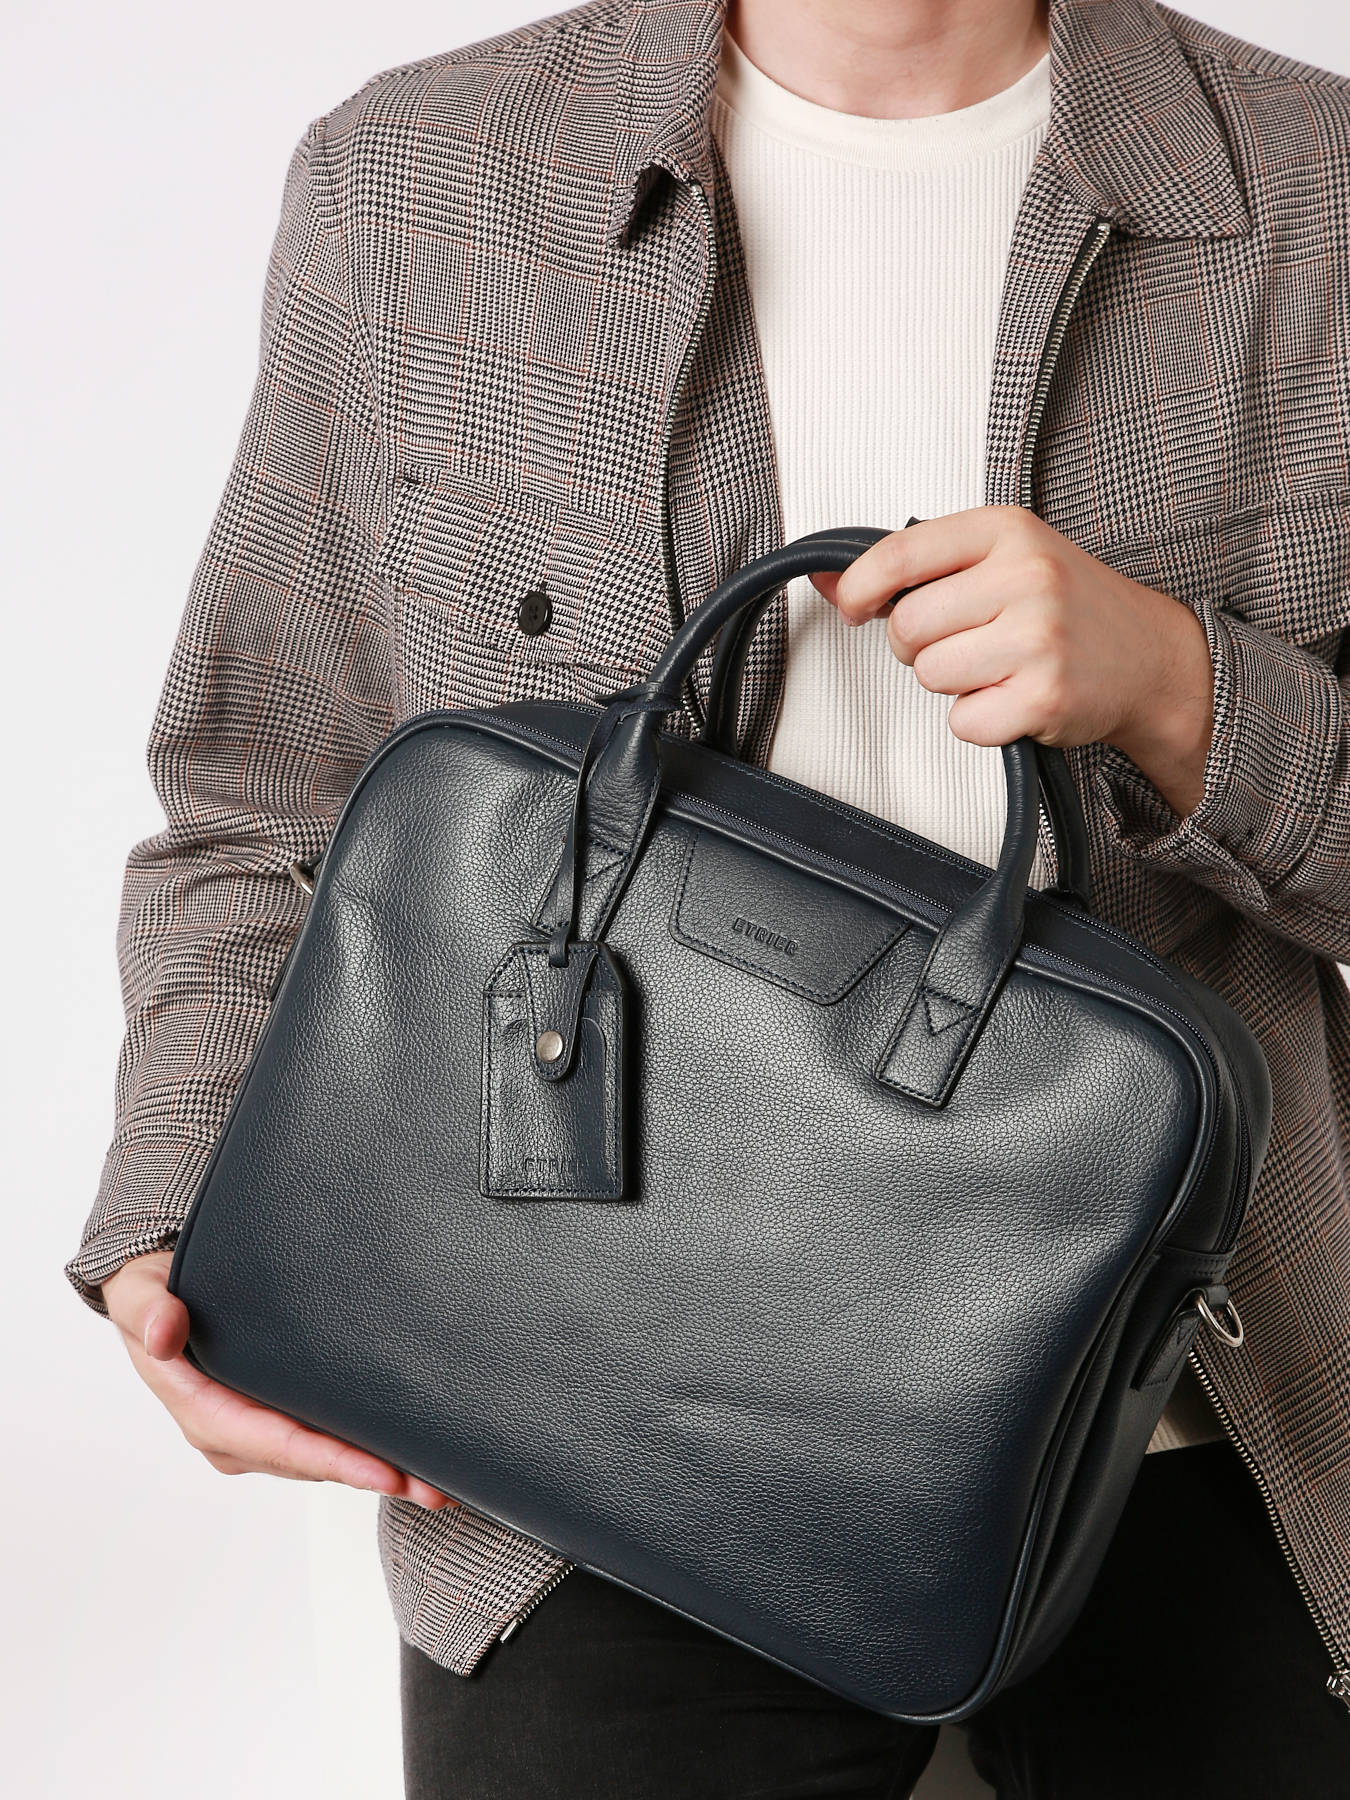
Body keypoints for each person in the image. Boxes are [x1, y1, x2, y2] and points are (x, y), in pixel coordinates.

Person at [67, 0, 1350, 1793]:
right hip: (560, 1456)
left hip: (1201, 1445)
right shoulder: (419, 179)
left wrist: (1184, 695)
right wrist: (167, 1220)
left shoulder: (1314, 192)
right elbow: (259, 798)